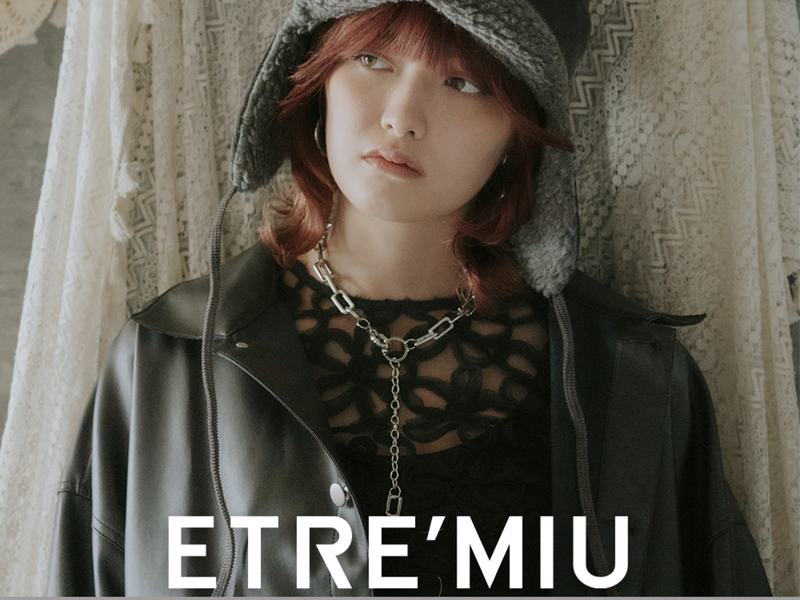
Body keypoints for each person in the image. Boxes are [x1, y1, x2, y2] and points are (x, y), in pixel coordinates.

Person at [47, 0, 771, 596]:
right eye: (371, 58)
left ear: (519, 131)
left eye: (463, 82)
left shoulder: (634, 380)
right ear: (318, 76)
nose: (402, 115)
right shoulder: (165, 362)